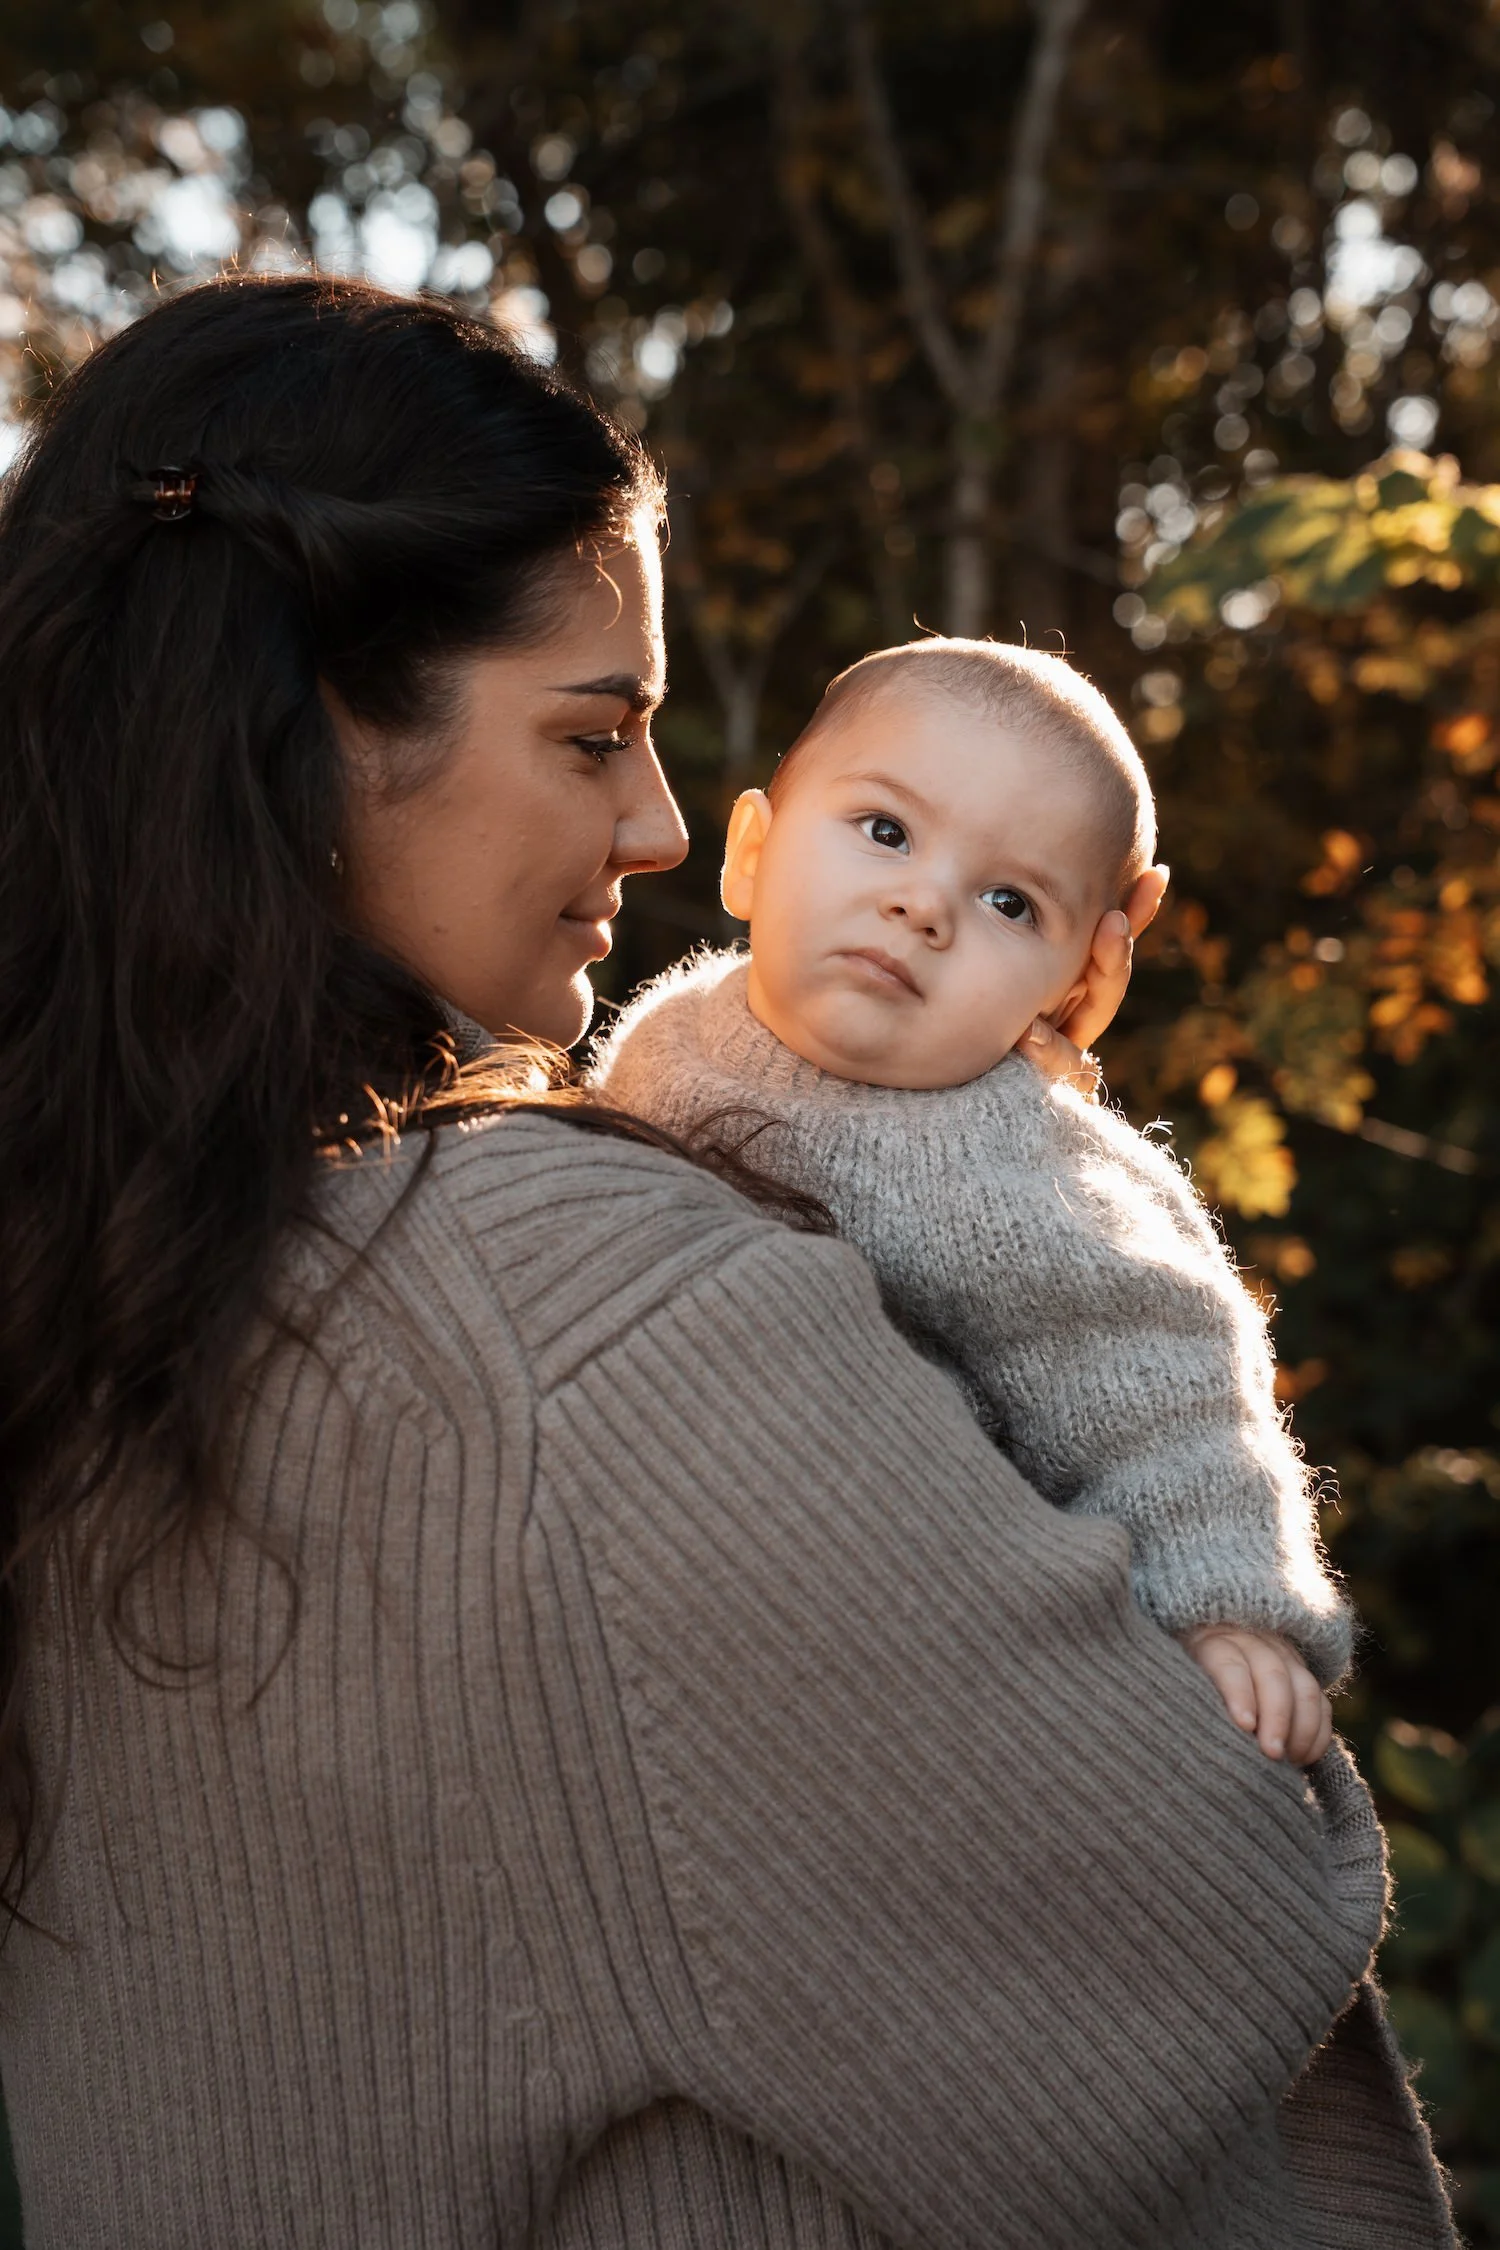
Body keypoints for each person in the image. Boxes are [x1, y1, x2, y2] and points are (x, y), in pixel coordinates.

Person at [0, 276, 1453, 2250]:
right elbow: (1207, 1931)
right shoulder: (573, 1316)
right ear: (322, 729)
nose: (667, 827)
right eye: (595, 736)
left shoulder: (95, 1308)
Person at [593, 637, 1346, 1767]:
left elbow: (1163, 1394)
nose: (923, 905)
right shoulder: (667, 1032)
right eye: (885, 832)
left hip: (935, 1655)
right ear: (751, 854)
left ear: (1077, 985)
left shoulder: (1025, 1168)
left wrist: (1224, 1614)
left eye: (1009, 901)